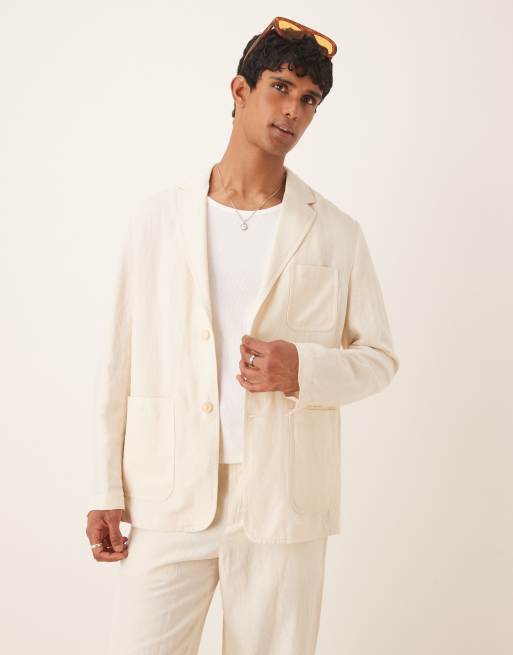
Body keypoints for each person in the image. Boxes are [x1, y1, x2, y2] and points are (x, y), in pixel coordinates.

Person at [85, 16, 399, 655]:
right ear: (239, 90)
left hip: (282, 501)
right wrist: (104, 488)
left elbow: (378, 358)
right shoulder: (156, 220)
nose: (293, 111)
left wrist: (302, 368)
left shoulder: (336, 232)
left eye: (309, 99)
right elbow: (118, 359)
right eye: (280, 87)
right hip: (168, 491)